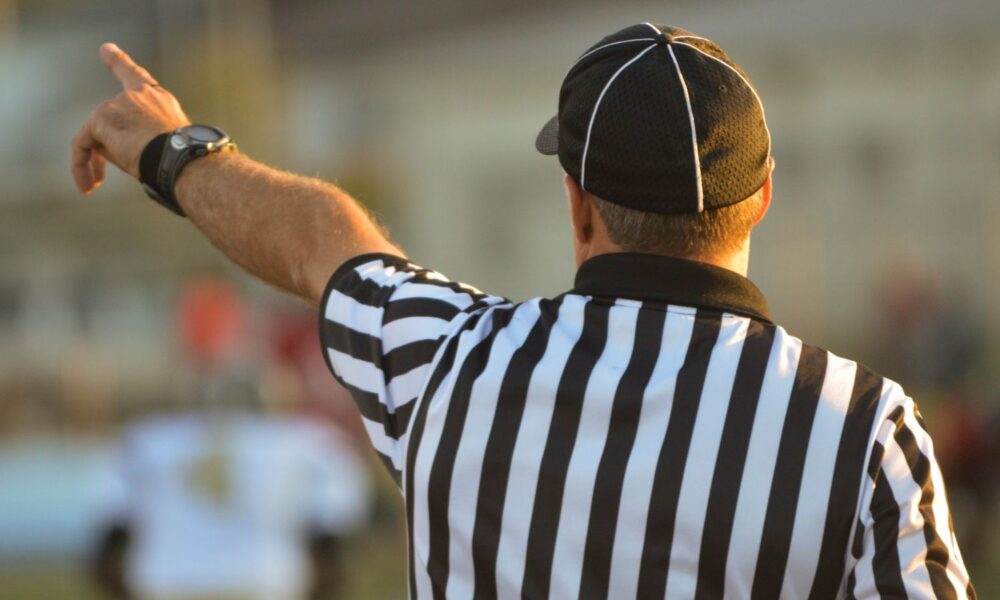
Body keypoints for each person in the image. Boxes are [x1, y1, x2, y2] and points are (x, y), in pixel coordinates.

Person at [71, 22, 976, 600]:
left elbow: (317, 239)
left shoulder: (446, 363)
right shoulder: (865, 429)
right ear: (763, 197)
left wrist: (171, 150)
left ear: (578, 202)